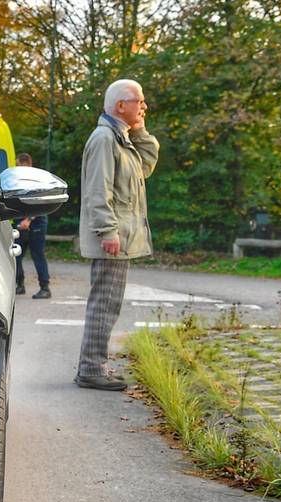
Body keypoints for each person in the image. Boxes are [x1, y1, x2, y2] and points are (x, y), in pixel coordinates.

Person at [75, 79, 159, 391]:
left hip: (118, 239)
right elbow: (98, 190)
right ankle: (91, 368)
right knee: (104, 303)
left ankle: (93, 365)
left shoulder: (122, 139)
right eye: (139, 101)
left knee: (108, 303)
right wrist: (108, 230)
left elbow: (146, 165)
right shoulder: (104, 139)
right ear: (120, 105)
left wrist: (139, 129)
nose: (144, 106)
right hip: (112, 240)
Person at [13, 153, 51, 299]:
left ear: (26, 164)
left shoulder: (36, 180)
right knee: (16, 255)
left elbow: (40, 201)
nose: (17, 168)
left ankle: (45, 287)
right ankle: (20, 285)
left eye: (19, 165)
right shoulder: (18, 181)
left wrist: (28, 219)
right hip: (21, 223)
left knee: (38, 255)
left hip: (36, 224)